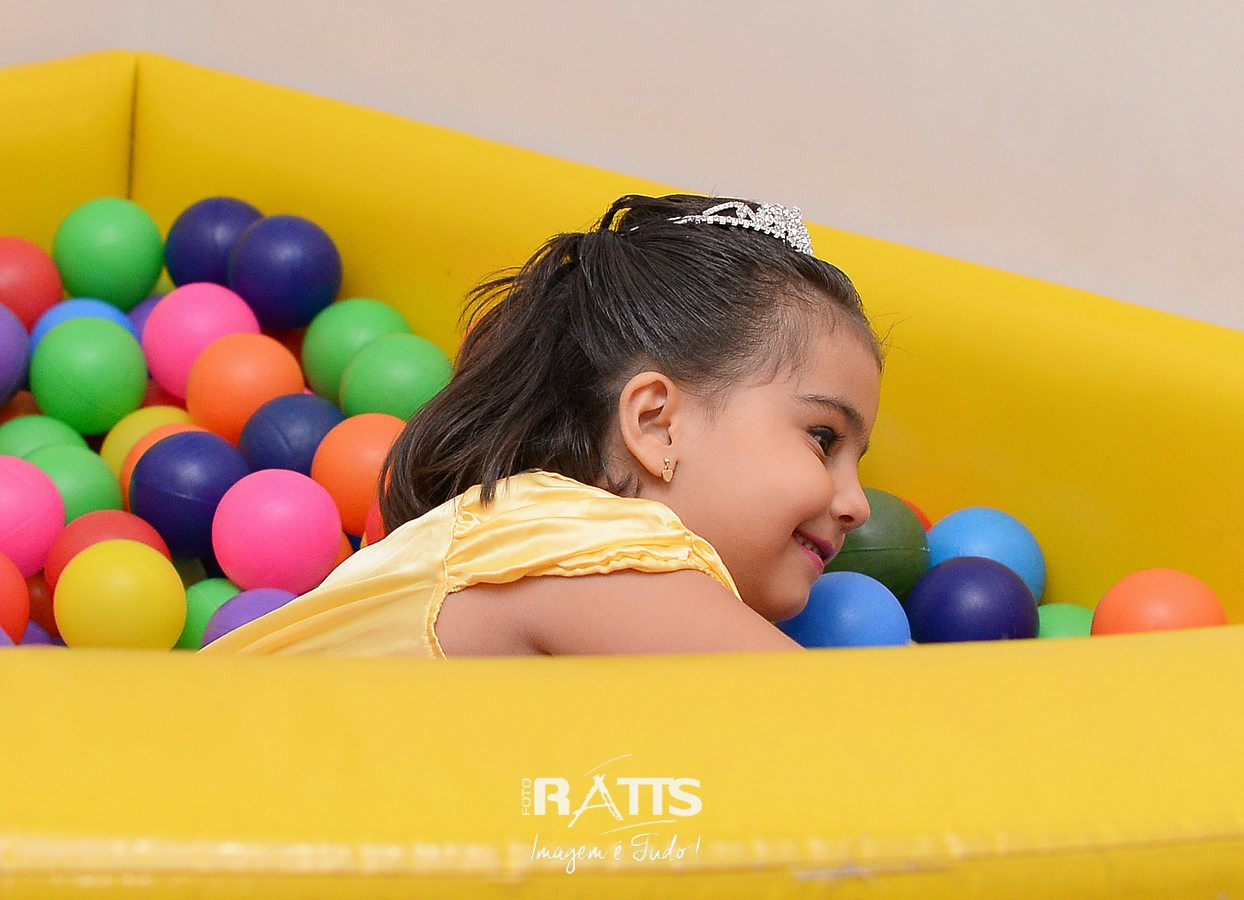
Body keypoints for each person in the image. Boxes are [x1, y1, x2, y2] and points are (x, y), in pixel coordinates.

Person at [199, 193, 883, 659]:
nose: (857, 504)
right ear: (656, 423)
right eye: (823, 438)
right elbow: (837, 744)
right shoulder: (588, 552)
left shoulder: (514, 535)